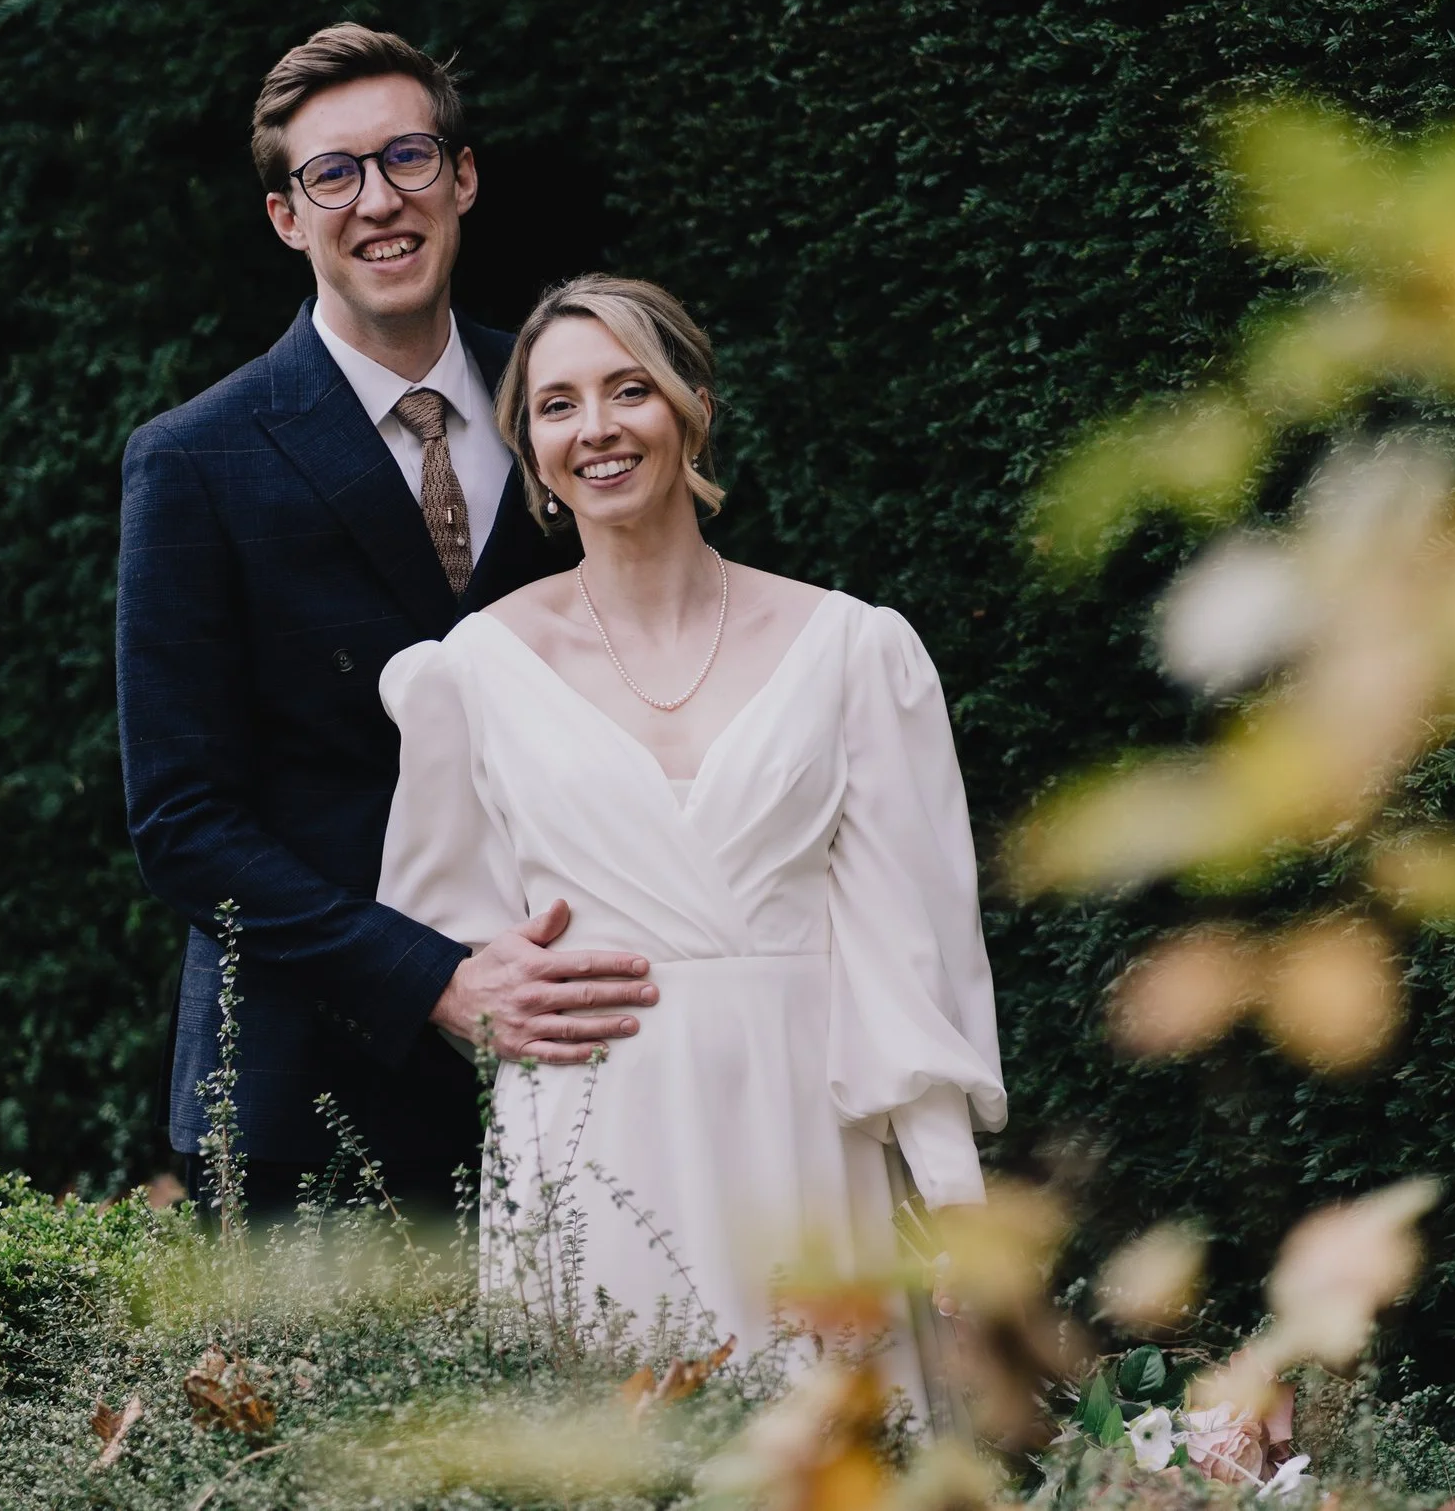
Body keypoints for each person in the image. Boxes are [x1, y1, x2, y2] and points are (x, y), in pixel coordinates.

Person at [375, 275, 1006, 1391]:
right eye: (559, 404)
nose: (598, 428)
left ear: (693, 406)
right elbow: (436, 935)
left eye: (631, 389)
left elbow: (913, 949)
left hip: (808, 1129)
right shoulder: (472, 670)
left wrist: (951, 1191)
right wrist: (487, 990)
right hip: (592, 1129)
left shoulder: (852, 650)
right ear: (529, 441)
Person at [117, 26, 659, 1217]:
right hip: (306, 1091)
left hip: (592, 1055)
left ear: (461, 179)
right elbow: (182, 823)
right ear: (286, 218)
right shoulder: (193, 461)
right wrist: (434, 979)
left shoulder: (575, 412)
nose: (379, 200)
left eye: (408, 157)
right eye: (333, 174)